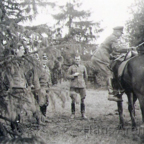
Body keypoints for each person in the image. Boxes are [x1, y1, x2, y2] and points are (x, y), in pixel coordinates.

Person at [91, 26, 133, 102]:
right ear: (116, 32)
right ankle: (111, 94)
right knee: (109, 73)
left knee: (110, 73)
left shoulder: (111, 38)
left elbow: (112, 50)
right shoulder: (113, 38)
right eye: (120, 33)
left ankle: (114, 91)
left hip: (101, 56)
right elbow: (117, 49)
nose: (121, 35)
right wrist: (129, 49)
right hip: (101, 57)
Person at [67, 54, 88, 119]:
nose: (77, 60)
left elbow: (86, 77)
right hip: (74, 86)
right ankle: (73, 114)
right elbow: (67, 76)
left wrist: (84, 84)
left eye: (78, 59)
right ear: (74, 60)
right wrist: (73, 75)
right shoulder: (71, 67)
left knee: (82, 99)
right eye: (76, 59)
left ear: (80, 60)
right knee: (73, 100)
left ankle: (83, 114)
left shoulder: (83, 67)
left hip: (81, 86)